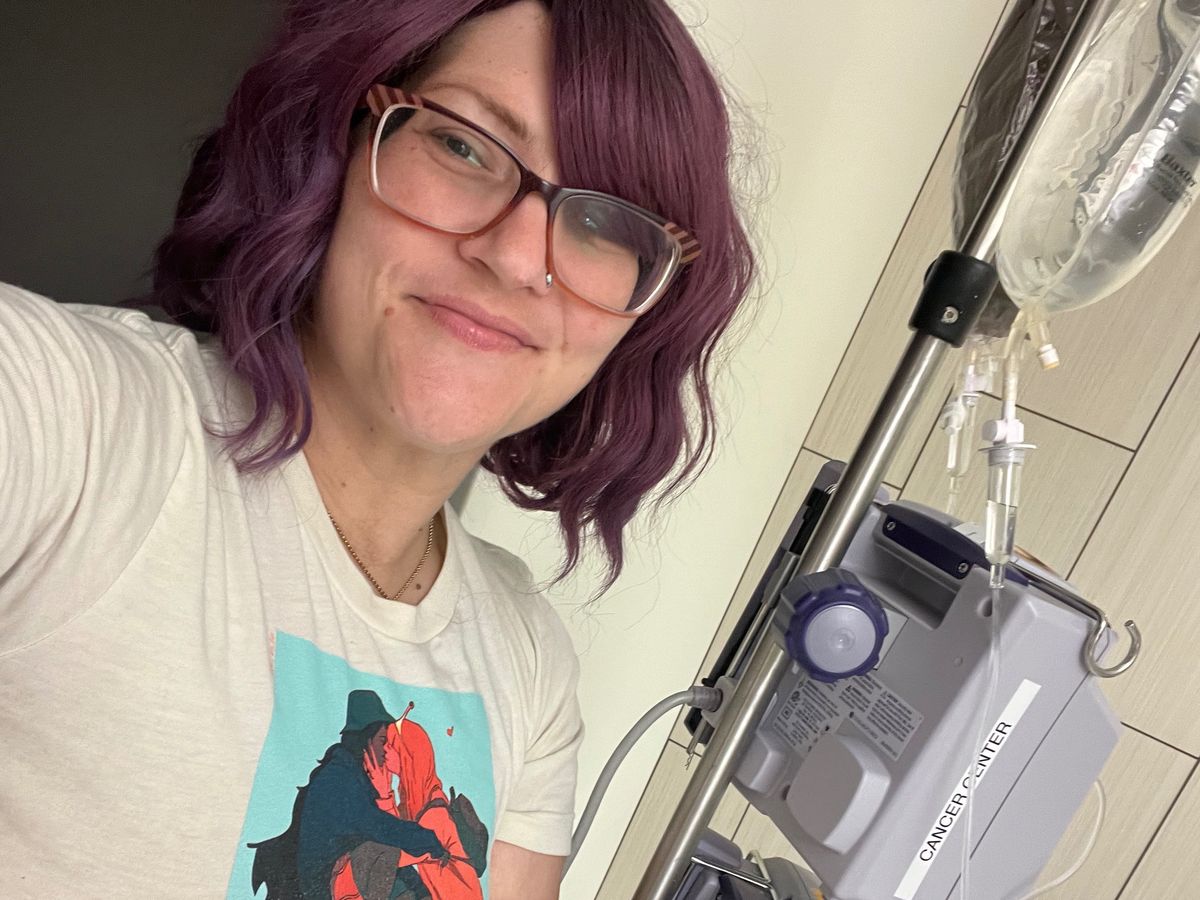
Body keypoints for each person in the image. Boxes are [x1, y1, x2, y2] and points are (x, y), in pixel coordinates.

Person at [0, 0, 755, 897]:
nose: (519, 258)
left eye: (604, 225)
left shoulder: (527, 663)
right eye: (463, 146)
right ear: (341, 142)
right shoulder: (68, 416)